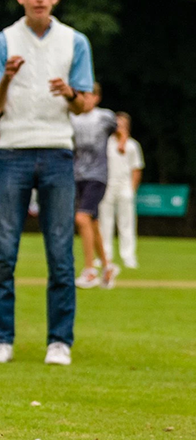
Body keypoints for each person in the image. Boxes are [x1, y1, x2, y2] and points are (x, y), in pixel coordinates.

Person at [0, 0, 94, 365]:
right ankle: (3, 338)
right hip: (11, 151)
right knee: (4, 252)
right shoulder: (4, 39)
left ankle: (60, 341)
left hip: (57, 150)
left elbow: (85, 103)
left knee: (60, 252)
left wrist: (69, 92)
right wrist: (5, 78)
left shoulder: (76, 41)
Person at [71, 83, 122, 289]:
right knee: (91, 223)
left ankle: (90, 270)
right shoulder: (71, 117)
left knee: (81, 218)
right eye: (81, 94)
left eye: (89, 95)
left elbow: (120, 130)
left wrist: (122, 141)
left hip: (97, 176)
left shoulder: (104, 117)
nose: (85, 98)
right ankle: (108, 267)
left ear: (97, 98)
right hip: (76, 175)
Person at [98, 112, 144, 269]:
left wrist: (132, 189)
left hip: (125, 187)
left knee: (127, 223)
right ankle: (105, 255)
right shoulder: (105, 143)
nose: (119, 127)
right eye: (117, 124)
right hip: (107, 186)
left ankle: (128, 256)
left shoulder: (133, 145)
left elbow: (136, 169)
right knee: (105, 222)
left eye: (123, 124)